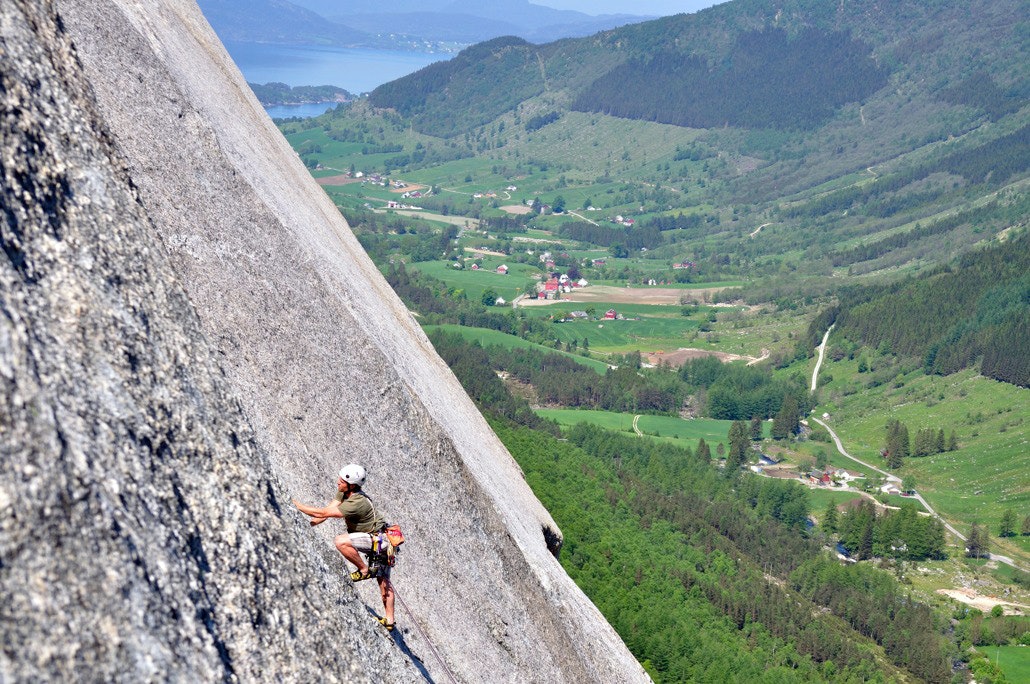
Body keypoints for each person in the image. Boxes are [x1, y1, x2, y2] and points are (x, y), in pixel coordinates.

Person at [292, 463, 396, 631]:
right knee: (383, 580)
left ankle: (363, 570)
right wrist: (307, 525)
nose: (337, 483)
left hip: (379, 541)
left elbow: (324, 513)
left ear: (352, 485)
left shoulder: (356, 502)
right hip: (381, 541)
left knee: (341, 541)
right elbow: (327, 511)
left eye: (341, 481)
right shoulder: (344, 491)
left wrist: (296, 505)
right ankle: (389, 620)